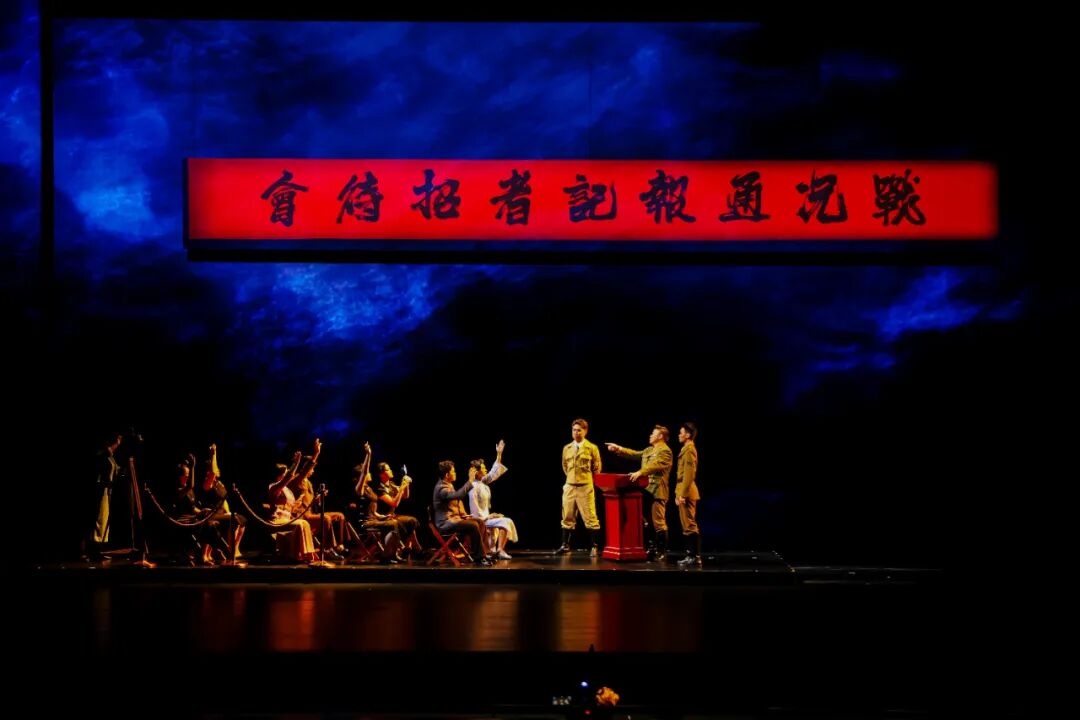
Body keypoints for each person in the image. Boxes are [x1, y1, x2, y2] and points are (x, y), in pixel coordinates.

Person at [606, 425, 673, 561]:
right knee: (647, 521)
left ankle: (662, 552)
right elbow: (635, 454)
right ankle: (651, 548)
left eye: (653, 433)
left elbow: (655, 465)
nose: (650, 435)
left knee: (658, 522)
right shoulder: (649, 450)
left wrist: (640, 472)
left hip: (657, 491)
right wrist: (619, 448)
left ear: (660, 436)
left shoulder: (665, 451)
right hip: (645, 490)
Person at [557, 418, 602, 557]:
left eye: (579, 430)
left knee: (590, 517)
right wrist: (572, 479)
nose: (576, 433)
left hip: (585, 486)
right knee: (567, 516)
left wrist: (586, 480)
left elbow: (597, 468)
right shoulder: (567, 448)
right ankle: (565, 545)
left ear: (585, 431)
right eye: (574, 430)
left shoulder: (592, 448)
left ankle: (594, 546)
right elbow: (565, 466)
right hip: (570, 486)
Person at [432, 460, 491, 565]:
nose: (455, 473)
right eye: (453, 472)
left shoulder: (448, 485)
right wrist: (470, 480)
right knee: (473, 525)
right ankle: (479, 558)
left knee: (480, 522)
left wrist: (463, 515)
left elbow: (455, 503)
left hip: (454, 519)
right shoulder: (441, 488)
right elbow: (458, 495)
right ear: (447, 475)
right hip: (445, 523)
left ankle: (484, 554)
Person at [467, 439, 515, 560]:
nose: (486, 469)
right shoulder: (473, 487)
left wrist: (499, 454)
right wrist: (489, 516)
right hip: (481, 520)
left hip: (487, 518)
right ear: (477, 472)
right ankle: (500, 550)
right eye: (483, 468)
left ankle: (498, 550)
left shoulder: (482, 482)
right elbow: (475, 512)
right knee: (505, 521)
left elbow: (494, 471)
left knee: (505, 520)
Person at [86, 430, 123, 561]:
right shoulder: (102, 454)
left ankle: (99, 549)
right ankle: (93, 550)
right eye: (118, 440)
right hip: (101, 491)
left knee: (104, 519)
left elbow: (117, 469)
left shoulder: (111, 457)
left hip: (108, 492)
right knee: (100, 519)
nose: (119, 443)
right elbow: (97, 474)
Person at [675, 422, 702, 567]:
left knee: (690, 524)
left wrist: (683, 494)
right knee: (686, 525)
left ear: (688, 434)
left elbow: (689, 474)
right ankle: (690, 555)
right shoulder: (686, 448)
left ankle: (694, 556)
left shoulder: (690, 449)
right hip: (683, 490)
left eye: (681, 432)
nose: (679, 435)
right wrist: (678, 493)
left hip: (687, 492)